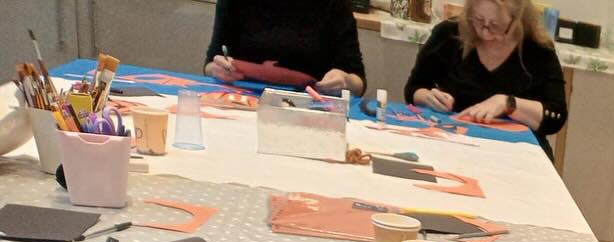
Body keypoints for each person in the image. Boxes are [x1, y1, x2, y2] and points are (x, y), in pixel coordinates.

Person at [404, 0, 567, 142]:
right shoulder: (448, 35)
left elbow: (556, 117)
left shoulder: (538, 50)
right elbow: (413, 88)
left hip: (514, 152)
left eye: (496, 25)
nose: (485, 31)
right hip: (452, 141)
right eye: (478, 20)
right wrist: (427, 97)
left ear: (516, 19)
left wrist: (508, 104)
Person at [203, 0, 366, 95]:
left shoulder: (335, 4)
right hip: (241, 102)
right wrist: (218, 69)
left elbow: (358, 82)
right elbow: (211, 63)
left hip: (310, 108)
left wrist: (346, 81)